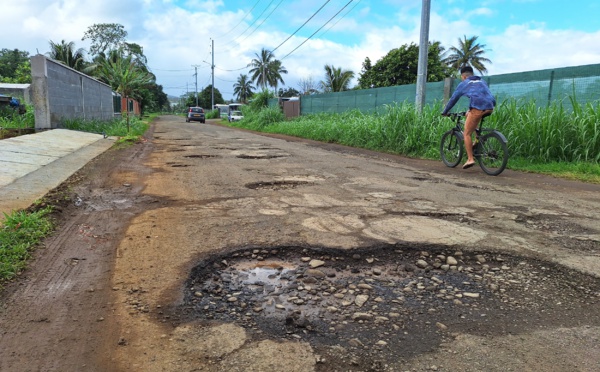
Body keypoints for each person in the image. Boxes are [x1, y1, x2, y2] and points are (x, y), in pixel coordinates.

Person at [442, 65, 496, 169]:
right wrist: (469, 110)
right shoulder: (481, 81)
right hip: (490, 106)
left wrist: (445, 111)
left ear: (463, 76)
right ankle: (477, 141)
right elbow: (481, 96)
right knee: (470, 115)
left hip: (478, 108)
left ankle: (470, 159)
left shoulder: (464, 83)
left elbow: (453, 99)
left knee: (466, 133)